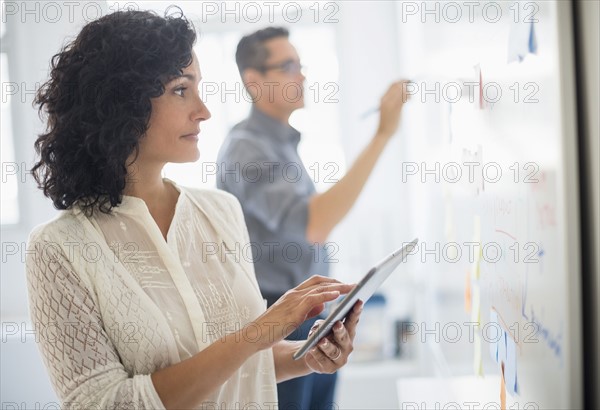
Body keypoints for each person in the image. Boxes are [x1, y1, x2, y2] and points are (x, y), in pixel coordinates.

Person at [26, 9, 362, 409]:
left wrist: (306, 354)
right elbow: (106, 403)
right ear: (122, 102)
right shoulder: (58, 248)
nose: (204, 111)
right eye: (181, 90)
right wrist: (263, 329)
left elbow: (239, 366)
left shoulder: (220, 212)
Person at [216, 27, 409, 409]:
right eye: (287, 66)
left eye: (300, 64)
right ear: (253, 81)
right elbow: (314, 225)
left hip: (308, 314)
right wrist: (383, 134)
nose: (301, 75)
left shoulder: (280, 144)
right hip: (278, 322)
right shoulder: (245, 150)